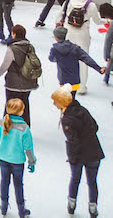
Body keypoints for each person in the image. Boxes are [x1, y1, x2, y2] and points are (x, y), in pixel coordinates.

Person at [52, 86, 103, 217]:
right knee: (92, 181)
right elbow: (95, 126)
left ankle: (72, 204)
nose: (54, 104)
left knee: (75, 179)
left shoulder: (66, 119)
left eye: (56, 101)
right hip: (94, 151)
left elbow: (73, 141)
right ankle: (93, 207)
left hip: (79, 155)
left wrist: (72, 158)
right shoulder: (83, 110)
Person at [57, 0, 107, 94]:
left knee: (68, 60)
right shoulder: (91, 5)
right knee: (83, 61)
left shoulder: (69, 0)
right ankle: (82, 87)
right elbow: (97, 21)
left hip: (68, 34)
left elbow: (60, 15)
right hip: (82, 36)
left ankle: (67, 85)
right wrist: (107, 21)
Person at [0, 99, 35, 218]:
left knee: (4, 182)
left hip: (3, 158)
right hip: (17, 161)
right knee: (18, 184)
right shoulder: (24, 128)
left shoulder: (1, 123)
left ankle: (4, 206)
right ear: (21, 112)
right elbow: (28, 148)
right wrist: (32, 162)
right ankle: (21, 210)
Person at [0, 25, 41, 127]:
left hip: (13, 84)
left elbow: (5, 64)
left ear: (14, 34)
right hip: (28, 82)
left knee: (10, 105)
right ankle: (25, 127)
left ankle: (7, 127)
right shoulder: (30, 46)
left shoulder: (12, 48)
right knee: (24, 105)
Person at [49, 26, 105, 92]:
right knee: (72, 98)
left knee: (65, 100)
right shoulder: (75, 48)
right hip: (74, 80)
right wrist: (98, 68)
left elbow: (51, 59)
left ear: (55, 37)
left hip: (63, 79)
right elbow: (87, 59)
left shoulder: (55, 49)